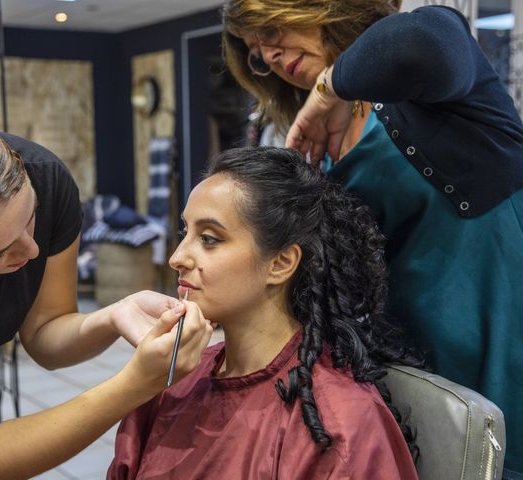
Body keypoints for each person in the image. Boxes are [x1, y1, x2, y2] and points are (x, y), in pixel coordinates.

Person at [222, 2, 523, 476]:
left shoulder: (424, 78)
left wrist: (330, 87)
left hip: (506, 340)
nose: (271, 55)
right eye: (257, 53)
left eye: (272, 30)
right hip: (422, 372)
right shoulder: (314, 154)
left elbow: (425, 41)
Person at [0, 100, 213, 479]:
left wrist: (113, 314)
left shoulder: (46, 178)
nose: (33, 250)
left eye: (31, 218)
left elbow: (45, 334)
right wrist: (135, 384)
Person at [107, 146, 422, 479]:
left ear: (281, 263)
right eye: (186, 233)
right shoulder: (170, 380)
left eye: (210, 239)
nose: (177, 257)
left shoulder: (338, 424)